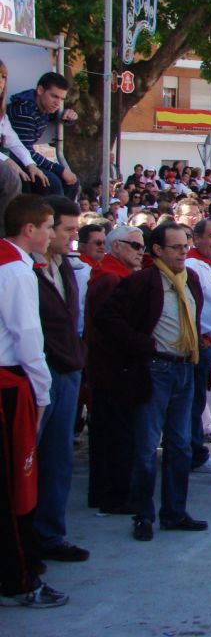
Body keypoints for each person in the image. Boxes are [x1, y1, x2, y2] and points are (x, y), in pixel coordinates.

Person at [94, 222, 208, 541]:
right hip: (155, 369)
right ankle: (143, 514)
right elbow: (107, 318)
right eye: (177, 247)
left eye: (186, 246)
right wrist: (142, 344)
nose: (184, 251)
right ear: (158, 251)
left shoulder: (191, 279)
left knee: (181, 445)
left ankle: (174, 511)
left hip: (185, 367)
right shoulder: (143, 281)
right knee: (146, 447)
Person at [0, 195, 67, 608]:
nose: (50, 235)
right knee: (16, 488)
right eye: (47, 227)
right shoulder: (17, 271)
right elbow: (28, 337)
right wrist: (42, 392)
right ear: (30, 229)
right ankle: (18, 579)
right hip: (10, 387)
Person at [32, 197, 88, 563]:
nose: (73, 238)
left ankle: (51, 536)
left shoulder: (65, 267)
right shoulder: (22, 269)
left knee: (58, 459)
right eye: (67, 230)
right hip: (38, 374)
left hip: (67, 371)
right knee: (28, 460)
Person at [84, 225, 144, 515]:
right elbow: (111, 328)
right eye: (134, 245)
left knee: (111, 434)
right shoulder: (109, 278)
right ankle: (113, 497)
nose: (140, 251)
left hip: (112, 369)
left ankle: (106, 494)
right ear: (116, 247)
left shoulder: (113, 276)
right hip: (114, 370)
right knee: (115, 436)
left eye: (141, 245)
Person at [185, 219, 211, 474]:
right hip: (196, 343)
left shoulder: (210, 266)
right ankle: (193, 453)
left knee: (198, 400)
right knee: (193, 402)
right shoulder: (192, 266)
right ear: (196, 237)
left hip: (208, 342)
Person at [7, 72, 79, 199]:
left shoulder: (41, 106)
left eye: (62, 99)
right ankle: (53, 218)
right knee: (52, 183)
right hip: (12, 159)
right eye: (54, 96)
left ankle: (62, 217)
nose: (58, 103)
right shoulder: (25, 112)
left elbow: (52, 115)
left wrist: (68, 116)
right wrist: (60, 170)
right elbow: (23, 150)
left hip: (24, 157)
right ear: (40, 90)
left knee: (72, 183)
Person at [0, 61, 49, 234]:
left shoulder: (2, 112)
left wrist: (30, 164)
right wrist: (7, 161)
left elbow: (13, 140)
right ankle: (6, 234)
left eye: (3, 77)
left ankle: (40, 233)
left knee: (40, 180)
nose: (1, 81)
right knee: (9, 175)